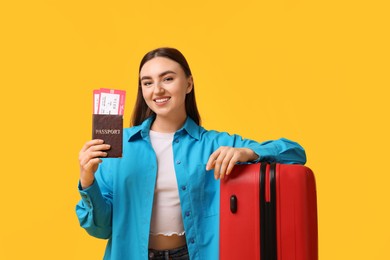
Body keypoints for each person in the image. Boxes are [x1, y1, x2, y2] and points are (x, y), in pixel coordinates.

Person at [76, 47, 306, 260]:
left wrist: (247, 152)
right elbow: (101, 229)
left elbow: (294, 153)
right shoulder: (118, 144)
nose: (157, 90)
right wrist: (87, 180)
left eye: (167, 78)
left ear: (188, 84)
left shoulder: (214, 144)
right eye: (147, 83)